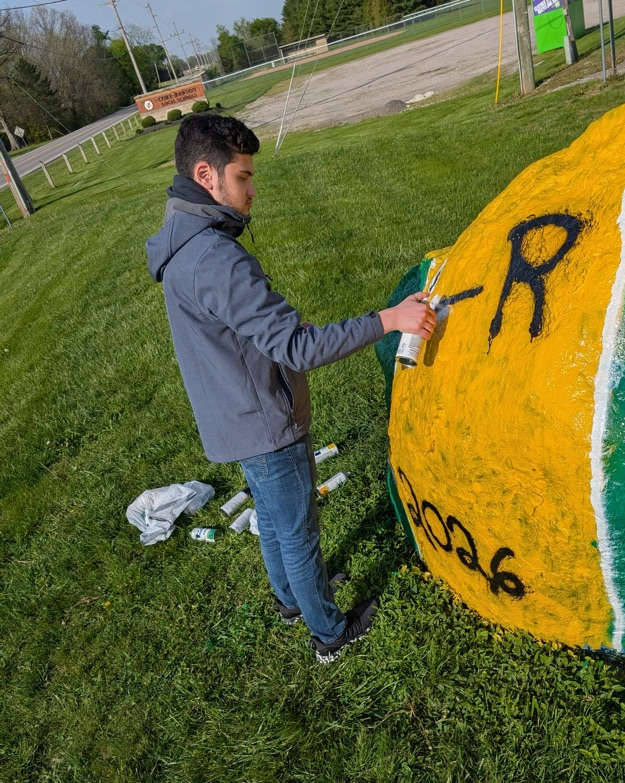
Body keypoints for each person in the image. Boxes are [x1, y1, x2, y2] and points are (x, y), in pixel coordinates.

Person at [146, 113, 435, 662]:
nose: (253, 191)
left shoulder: (183, 245)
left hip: (234, 418)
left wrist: (267, 339)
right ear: (206, 175)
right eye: (243, 178)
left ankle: (290, 600)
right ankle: (329, 632)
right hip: (265, 422)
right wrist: (389, 319)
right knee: (299, 532)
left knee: (276, 522)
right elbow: (298, 350)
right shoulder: (215, 258)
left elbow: (231, 333)